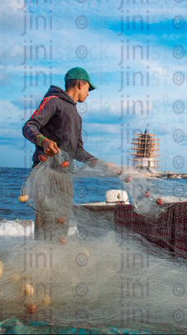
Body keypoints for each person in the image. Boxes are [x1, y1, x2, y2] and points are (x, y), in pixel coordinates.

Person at [23, 67, 118, 242]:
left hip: (64, 176)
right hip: (47, 173)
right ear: (81, 83)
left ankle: (55, 267)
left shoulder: (76, 116)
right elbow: (29, 126)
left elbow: (78, 152)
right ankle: (41, 265)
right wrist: (44, 141)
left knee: (61, 227)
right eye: (88, 88)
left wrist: (101, 163)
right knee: (47, 227)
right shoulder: (53, 101)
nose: (88, 93)